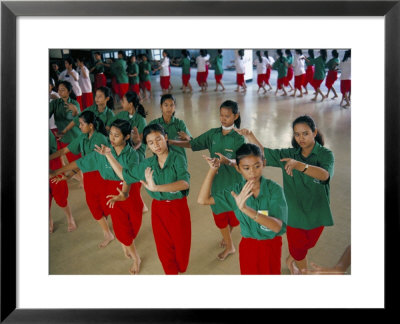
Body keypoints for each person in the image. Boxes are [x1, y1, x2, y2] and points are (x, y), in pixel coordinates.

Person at [235, 115, 334, 274]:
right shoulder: (289, 154)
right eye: (297, 134)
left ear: (314, 132)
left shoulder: (325, 155)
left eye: (305, 133)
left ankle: (292, 258)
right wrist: (250, 136)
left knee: (307, 245)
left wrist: (300, 165)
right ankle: (303, 272)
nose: (301, 138)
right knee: (300, 249)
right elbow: (263, 154)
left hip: (317, 212)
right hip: (294, 215)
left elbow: (325, 175)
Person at [95, 124, 192, 275]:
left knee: (181, 255)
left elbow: (184, 183)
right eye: (151, 143)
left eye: (159, 139)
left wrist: (156, 188)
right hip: (159, 210)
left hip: (178, 208)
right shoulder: (147, 164)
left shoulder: (177, 158)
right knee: (164, 250)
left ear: (165, 137)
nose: (156, 145)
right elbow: (124, 175)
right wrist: (109, 155)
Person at [168, 100, 244, 261]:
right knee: (220, 217)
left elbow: (244, 162)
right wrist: (171, 142)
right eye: (221, 115)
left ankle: (228, 233)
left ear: (235, 116)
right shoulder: (213, 134)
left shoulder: (239, 138)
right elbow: (194, 144)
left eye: (227, 116)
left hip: (235, 185)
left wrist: (227, 162)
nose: (223, 119)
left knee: (235, 218)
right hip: (216, 184)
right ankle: (230, 246)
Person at [197, 143, 288, 274]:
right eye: (246, 168)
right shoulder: (236, 191)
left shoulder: (274, 190)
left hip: (270, 246)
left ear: (264, 163)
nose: (252, 172)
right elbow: (202, 200)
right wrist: (213, 169)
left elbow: (276, 227)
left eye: (257, 166)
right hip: (248, 245)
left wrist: (245, 209)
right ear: (238, 169)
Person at [50, 111, 115, 249]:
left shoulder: (100, 139)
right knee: (93, 205)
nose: (79, 126)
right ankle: (107, 233)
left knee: (105, 205)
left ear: (91, 125)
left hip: (102, 176)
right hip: (89, 177)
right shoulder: (83, 137)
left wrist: (58, 172)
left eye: (81, 124)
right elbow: (65, 150)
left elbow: (84, 161)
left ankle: (109, 229)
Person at [148, 94, 192, 162]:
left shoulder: (179, 123)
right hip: (161, 162)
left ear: (175, 107)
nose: (169, 108)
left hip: (179, 161)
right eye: (166, 105)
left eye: (171, 105)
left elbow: (192, 143)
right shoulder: (154, 124)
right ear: (161, 106)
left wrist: (187, 137)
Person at [49, 129, 76, 233]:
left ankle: (69, 217)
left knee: (60, 194)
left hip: (51, 161)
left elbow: (56, 151)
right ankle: (49, 220)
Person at [49, 80, 82, 163]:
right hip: (62, 137)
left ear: (69, 91)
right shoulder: (55, 103)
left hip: (74, 136)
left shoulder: (74, 103)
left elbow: (78, 120)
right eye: (59, 90)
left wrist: (75, 112)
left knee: (77, 162)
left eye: (62, 90)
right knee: (66, 161)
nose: (60, 92)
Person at [110, 91, 147, 162]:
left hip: (137, 150)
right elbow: (110, 124)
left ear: (130, 104)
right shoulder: (122, 114)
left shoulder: (141, 119)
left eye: (123, 101)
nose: (121, 103)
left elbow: (140, 141)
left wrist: (131, 150)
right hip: (124, 146)